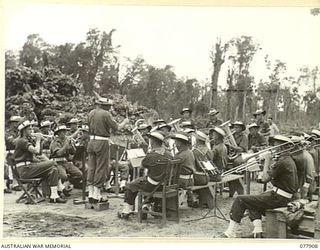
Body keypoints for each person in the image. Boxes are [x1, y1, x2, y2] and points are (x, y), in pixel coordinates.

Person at [222, 135, 299, 238]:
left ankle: (230, 233)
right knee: (252, 200)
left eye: (275, 146)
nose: (273, 148)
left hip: (279, 198)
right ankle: (257, 232)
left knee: (240, 199)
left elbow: (264, 179)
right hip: (281, 195)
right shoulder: (287, 159)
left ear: (281, 147)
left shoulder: (282, 162)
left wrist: (267, 160)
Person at [118, 131, 172, 217]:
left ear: (153, 142)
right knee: (145, 181)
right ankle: (146, 206)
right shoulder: (169, 154)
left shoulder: (151, 155)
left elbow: (142, 166)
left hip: (154, 185)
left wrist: (148, 154)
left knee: (131, 185)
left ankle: (126, 210)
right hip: (166, 184)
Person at [87, 96, 129, 204]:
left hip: (91, 141)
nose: (110, 108)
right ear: (104, 105)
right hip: (102, 142)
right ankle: (97, 195)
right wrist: (125, 122)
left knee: (92, 167)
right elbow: (117, 128)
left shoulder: (91, 113)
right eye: (108, 106)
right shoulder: (106, 114)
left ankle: (90, 194)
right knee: (101, 167)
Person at [13, 120, 67, 203]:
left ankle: (54, 196)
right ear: (24, 131)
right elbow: (36, 151)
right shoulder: (21, 141)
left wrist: (41, 141)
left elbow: (39, 153)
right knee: (52, 162)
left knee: (53, 170)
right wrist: (38, 140)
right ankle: (61, 187)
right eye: (29, 129)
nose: (32, 131)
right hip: (25, 169)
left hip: (29, 167)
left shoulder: (26, 140)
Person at [50, 125, 83, 191]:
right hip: (57, 162)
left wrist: (72, 145)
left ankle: (68, 184)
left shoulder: (67, 141)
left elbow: (73, 152)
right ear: (58, 133)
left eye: (65, 132)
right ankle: (62, 188)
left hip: (66, 162)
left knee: (79, 174)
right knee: (63, 176)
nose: (65, 133)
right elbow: (59, 153)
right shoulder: (55, 142)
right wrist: (66, 145)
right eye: (63, 132)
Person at [172, 131, 197, 205]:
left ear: (179, 143)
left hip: (182, 181)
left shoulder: (179, 155)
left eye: (176, 142)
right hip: (191, 180)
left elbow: (172, 170)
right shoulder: (190, 152)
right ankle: (191, 198)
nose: (175, 144)